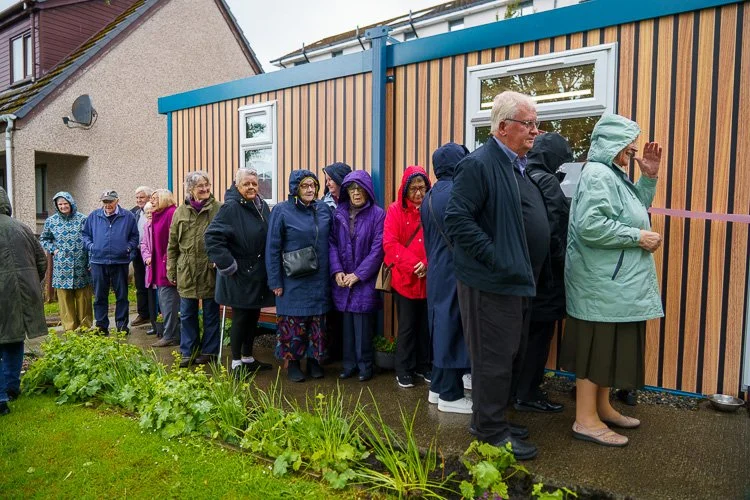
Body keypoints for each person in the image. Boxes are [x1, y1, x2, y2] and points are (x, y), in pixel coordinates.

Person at [444, 91, 550, 461]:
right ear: (504, 127)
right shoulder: (480, 164)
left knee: (509, 356)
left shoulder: (514, 163)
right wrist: (497, 258)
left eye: (536, 123)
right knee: (492, 357)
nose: (535, 131)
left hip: (515, 281)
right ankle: (489, 431)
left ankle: (495, 419)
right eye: (529, 123)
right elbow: (456, 220)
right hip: (490, 282)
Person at [560, 114, 663, 447]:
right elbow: (591, 226)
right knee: (595, 350)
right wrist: (637, 237)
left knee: (607, 351)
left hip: (611, 284)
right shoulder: (598, 174)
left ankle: (601, 408)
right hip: (600, 285)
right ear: (610, 144)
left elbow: (635, 209)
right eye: (627, 144)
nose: (632, 150)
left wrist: (649, 178)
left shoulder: (612, 175)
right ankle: (585, 420)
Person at [514, 133, 573, 414]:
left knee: (525, 335)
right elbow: (552, 228)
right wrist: (563, 263)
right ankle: (528, 394)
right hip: (547, 275)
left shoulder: (523, 175)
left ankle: (519, 390)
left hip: (525, 272)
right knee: (539, 337)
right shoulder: (547, 180)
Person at [205, 168, 275, 379]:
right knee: (241, 317)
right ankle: (236, 363)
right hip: (239, 274)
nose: (252, 187)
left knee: (253, 315)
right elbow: (212, 238)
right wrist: (229, 265)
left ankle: (247, 358)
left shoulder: (260, 206)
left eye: (254, 183)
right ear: (237, 186)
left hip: (257, 273)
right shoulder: (231, 208)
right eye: (246, 184)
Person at [266, 170, 332, 382]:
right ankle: (293, 362)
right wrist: (275, 280)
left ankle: (314, 361)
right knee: (293, 322)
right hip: (292, 277)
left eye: (313, 185)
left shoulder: (323, 209)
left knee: (317, 323)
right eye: (305, 186)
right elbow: (272, 248)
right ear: (295, 188)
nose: (310, 189)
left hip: (319, 276)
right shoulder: (282, 211)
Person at [421, 143, 472, 414]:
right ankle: (450, 396)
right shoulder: (458, 192)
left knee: (441, 325)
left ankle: (438, 387)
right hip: (456, 270)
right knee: (453, 328)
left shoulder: (430, 195)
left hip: (437, 270)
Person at [329, 170, 385, 382]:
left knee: (363, 326)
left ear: (367, 191)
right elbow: (332, 243)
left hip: (364, 281)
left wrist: (358, 275)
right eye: (352, 189)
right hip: (343, 280)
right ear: (347, 192)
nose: (356, 193)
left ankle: (365, 367)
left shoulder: (378, 214)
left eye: (360, 189)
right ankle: (349, 364)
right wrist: (337, 271)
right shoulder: (339, 213)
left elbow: (378, 249)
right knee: (347, 327)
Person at [383, 165, 432, 389]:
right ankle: (403, 369)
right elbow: (390, 244)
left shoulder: (432, 207)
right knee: (407, 326)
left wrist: (428, 264)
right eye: (413, 189)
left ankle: (424, 365)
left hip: (428, 279)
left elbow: (441, 241)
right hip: (405, 279)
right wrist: (415, 265)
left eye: (422, 188)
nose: (418, 194)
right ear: (405, 190)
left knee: (426, 326)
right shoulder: (395, 211)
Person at [0, 187, 48, 415]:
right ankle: (10, 388)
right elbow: (42, 261)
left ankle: (1, 399)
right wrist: (30, 285)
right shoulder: (22, 227)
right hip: (22, 295)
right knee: (13, 340)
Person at [167, 171, 222, 367]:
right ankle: (188, 352)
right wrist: (171, 270)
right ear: (191, 189)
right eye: (201, 186)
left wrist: (221, 259)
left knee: (210, 313)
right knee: (188, 314)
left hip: (210, 270)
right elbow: (172, 245)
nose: (206, 189)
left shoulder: (219, 209)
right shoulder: (179, 212)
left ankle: (209, 351)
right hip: (187, 271)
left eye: (207, 185)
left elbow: (226, 239)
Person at [81, 190, 139, 335]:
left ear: (117, 201)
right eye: (105, 202)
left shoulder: (128, 216)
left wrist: (128, 248)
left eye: (110, 201)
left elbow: (134, 236)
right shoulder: (94, 216)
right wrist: (91, 247)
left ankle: (122, 325)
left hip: (120, 262)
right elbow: (85, 235)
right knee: (100, 295)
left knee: (122, 295)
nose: (107, 205)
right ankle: (101, 326)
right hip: (98, 262)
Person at [39, 191, 93, 332]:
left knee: (83, 298)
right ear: (57, 206)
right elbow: (44, 239)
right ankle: (70, 329)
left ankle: (85, 327)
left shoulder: (83, 219)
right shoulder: (51, 221)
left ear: (71, 203)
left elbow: (91, 240)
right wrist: (54, 249)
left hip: (81, 264)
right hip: (62, 267)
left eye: (65, 203)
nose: (63, 206)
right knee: (65, 299)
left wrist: (90, 261)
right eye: (60, 204)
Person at [321, 161, 352, 364]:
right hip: (329, 261)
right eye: (327, 179)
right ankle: (330, 350)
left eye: (331, 179)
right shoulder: (323, 204)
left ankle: (344, 351)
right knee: (330, 309)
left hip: (351, 262)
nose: (328, 183)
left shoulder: (353, 202)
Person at [148, 189, 180, 348]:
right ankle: (169, 333)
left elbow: (174, 241)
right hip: (158, 266)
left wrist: (169, 263)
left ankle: (171, 335)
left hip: (167, 265)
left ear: (164, 199)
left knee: (169, 303)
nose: (151, 202)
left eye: (155, 199)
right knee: (164, 303)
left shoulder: (171, 213)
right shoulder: (157, 215)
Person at [131, 186, 153, 327]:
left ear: (149, 198)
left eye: (142, 197)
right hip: (138, 252)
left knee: (151, 284)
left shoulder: (153, 211)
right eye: (137, 198)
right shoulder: (135, 212)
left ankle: (154, 314)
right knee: (140, 283)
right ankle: (143, 313)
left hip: (151, 254)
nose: (139, 200)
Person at [139, 202, 159, 336]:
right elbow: (143, 244)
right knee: (151, 297)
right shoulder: (146, 226)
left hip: (160, 266)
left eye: (152, 212)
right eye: (147, 213)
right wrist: (147, 258)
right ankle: (154, 325)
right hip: (150, 266)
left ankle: (164, 326)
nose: (150, 215)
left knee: (162, 299)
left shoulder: (160, 226)